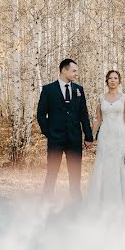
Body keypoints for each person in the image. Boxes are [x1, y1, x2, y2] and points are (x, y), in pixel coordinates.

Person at [85, 69, 125, 214]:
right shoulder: (101, 98)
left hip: (119, 136)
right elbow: (97, 119)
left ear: (119, 81)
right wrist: (90, 137)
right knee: (103, 165)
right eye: (110, 78)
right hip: (105, 136)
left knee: (119, 166)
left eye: (115, 78)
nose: (113, 80)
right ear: (107, 81)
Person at [37, 58, 93, 203]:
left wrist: (88, 135)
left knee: (75, 171)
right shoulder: (48, 90)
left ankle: (76, 200)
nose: (76, 74)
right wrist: (48, 132)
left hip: (74, 138)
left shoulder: (78, 90)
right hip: (55, 137)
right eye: (74, 71)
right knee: (52, 170)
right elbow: (41, 114)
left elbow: (83, 114)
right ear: (64, 70)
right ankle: (47, 200)